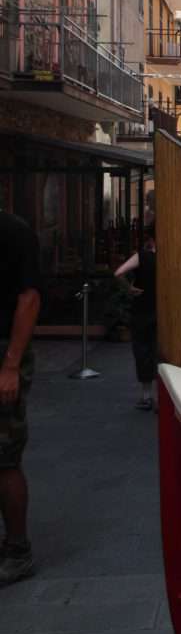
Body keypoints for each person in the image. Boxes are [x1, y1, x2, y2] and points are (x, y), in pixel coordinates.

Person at [0, 212, 42, 587]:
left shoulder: (14, 232)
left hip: (4, 355)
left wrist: (11, 364)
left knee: (4, 455)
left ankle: (18, 550)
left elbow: (28, 300)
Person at [115, 227, 157, 411]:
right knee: (160, 353)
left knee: (142, 351)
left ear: (151, 238)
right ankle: (162, 396)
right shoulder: (172, 258)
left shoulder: (142, 256)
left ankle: (146, 395)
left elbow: (118, 273)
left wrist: (129, 289)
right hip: (161, 310)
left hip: (141, 310)